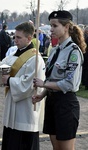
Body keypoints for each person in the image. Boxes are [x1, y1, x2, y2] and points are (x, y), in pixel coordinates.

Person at [0, 22, 46, 150]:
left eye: (19, 37)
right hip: (12, 107)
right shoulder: (14, 55)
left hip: (25, 111)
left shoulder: (35, 59)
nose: (15, 40)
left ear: (29, 38)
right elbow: (1, 69)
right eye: (15, 37)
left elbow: (29, 84)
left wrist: (9, 81)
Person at [32, 10, 86, 150]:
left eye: (55, 26)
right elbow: (52, 78)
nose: (51, 29)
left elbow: (70, 83)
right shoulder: (55, 50)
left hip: (65, 104)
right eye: (51, 25)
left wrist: (43, 84)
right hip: (52, 102)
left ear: (66, 27)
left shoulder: (73, 52)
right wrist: (42, 94)